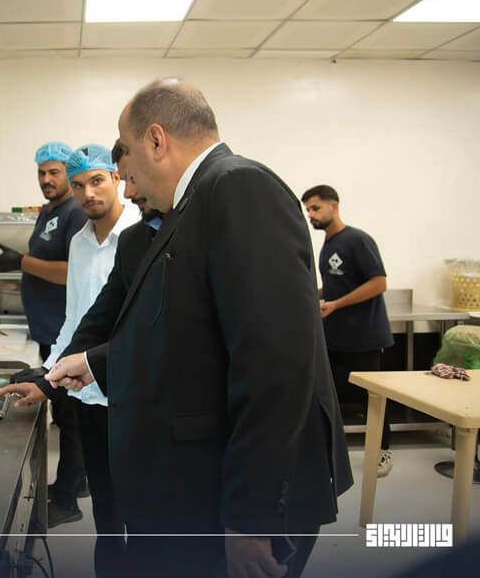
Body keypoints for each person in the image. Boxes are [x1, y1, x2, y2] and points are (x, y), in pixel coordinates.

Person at [46, 78, 353, 578]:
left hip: (252, 499)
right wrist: (94, 362)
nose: (128, 180)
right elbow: (190, 337)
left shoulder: (238, 187)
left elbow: (274, 364)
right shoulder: (189, 206)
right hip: (203, 481)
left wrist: (250, 518)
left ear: (156, 140)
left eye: (129, 156)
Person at [0, 141, 149, 574]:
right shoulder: (80, 242)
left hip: (134, 393)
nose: (88, 194)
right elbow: (76, 318)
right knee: (105, 507)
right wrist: (48, 377)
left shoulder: (143, 236)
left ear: (116, 178)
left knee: (142, 510)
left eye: (96, 181)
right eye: (79, 185)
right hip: (88, 393)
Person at [0, 141, 90, 525]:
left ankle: (67, 501)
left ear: (68, 173)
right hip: (48, 330)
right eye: (41, 172)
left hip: (66, 333)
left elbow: (71, 272)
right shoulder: (49, 212)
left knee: (71, 419)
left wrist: (20, 262)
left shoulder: (75, 212)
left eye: (54, 172)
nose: (46, 179)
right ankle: (77, 483)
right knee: (67, 413)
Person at [302, 185, 395, 477]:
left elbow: (378, 283)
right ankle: (326, 453)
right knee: (325, 394)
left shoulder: (357, 240)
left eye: (315, 208)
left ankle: (382, 451)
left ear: (334, 206)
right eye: (308, 210)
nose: (310, 215)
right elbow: (335, 286)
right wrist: (309, 294)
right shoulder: (328, 245)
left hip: (364, 337)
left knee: (373, 398)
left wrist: (337, 304)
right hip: (335, 337)